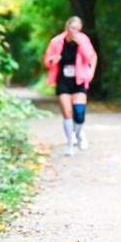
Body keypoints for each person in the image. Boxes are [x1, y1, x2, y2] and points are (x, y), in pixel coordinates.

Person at [43, 16, 98, 156]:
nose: (75, 32)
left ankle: (79, 135)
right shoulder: (56, 41)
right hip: (63, 80)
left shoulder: (83, 40)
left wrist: (82, 45)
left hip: (79, 79)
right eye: (73, 28)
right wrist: (52, 60)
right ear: (67, 26)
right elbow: (47, 61)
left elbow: (91, 57)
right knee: (67, 112)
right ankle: (69, 144)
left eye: (78, 29)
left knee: (79, 113)